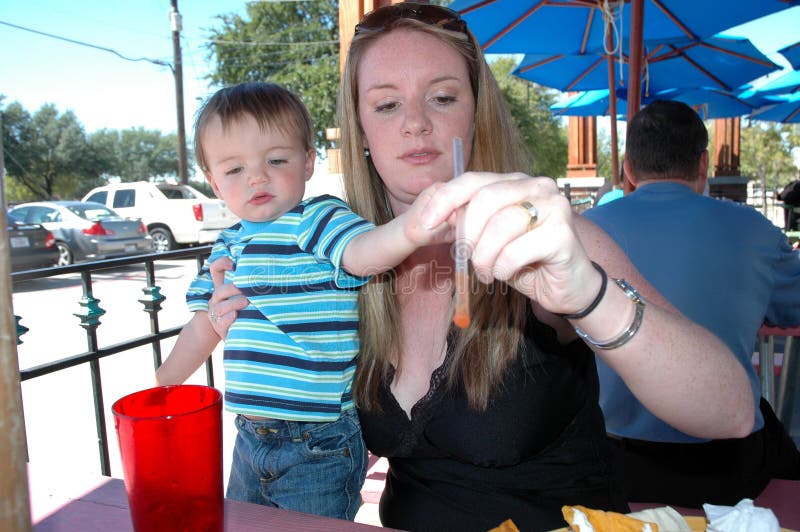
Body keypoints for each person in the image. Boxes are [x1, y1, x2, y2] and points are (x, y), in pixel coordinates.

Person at [205, 4, 755, 530]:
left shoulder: (541, 238)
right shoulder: (343, 260)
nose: (416, 123)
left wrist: (589, 295)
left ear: (476, 110)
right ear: (362, 131)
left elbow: (729, 412)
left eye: (442, 97)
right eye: (387, 105)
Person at [154, 81, 449, 520]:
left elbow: (361, 255)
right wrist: (163, 386)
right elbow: (204, 326)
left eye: (276, 160)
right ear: (215, 184)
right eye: (234, 170)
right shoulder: (228, 246)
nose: (257, 176)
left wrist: (408, 230)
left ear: (307, 162)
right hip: (249, 436)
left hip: (317, 441)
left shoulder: (315, 219)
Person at [584, 100, 800, 508]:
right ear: (703, 165)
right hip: (725, 467)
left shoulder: (589, 230)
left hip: (610, 461)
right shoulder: (755, 231)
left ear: (628, 168)